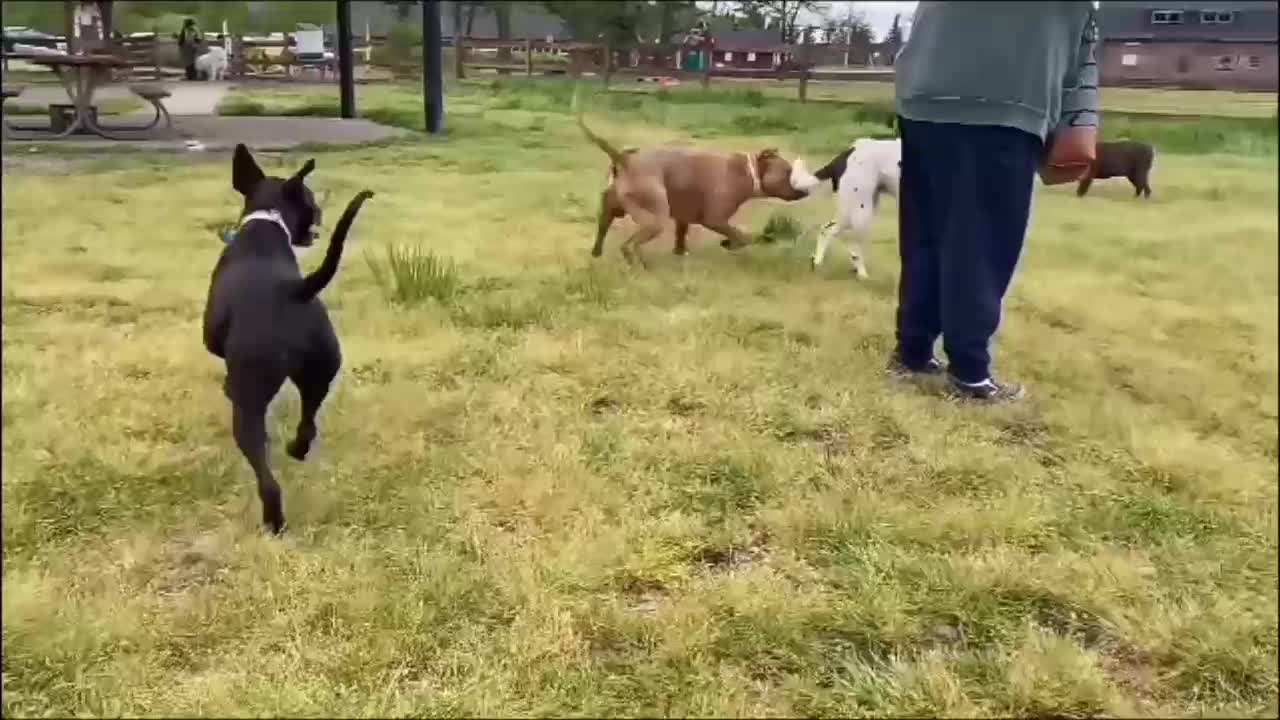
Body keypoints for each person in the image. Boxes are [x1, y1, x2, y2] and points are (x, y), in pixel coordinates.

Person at [890, 2, 1099, 401]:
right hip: (1002, 98)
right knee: (982, 243)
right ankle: (968, 374)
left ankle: (912, 353)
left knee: (927, 234)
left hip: (925, 91)